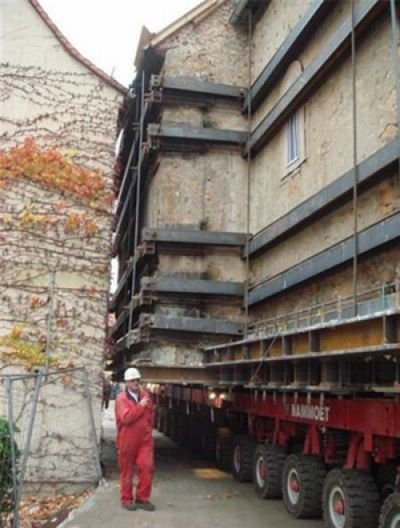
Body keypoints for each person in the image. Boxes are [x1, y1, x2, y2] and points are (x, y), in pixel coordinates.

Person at [115, 367, 155, 511]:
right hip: (127, 440)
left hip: (144, 439)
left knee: (147, 467)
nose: (136, 382)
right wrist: (140, 406)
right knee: (127, 470)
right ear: (126, 382)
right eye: (132, 380)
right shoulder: (121, 399)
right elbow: (126, 418)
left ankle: (142, 498)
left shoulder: (145, 395)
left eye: (137, 380)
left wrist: (148, 431)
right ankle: (126, 499)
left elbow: (151, 415)